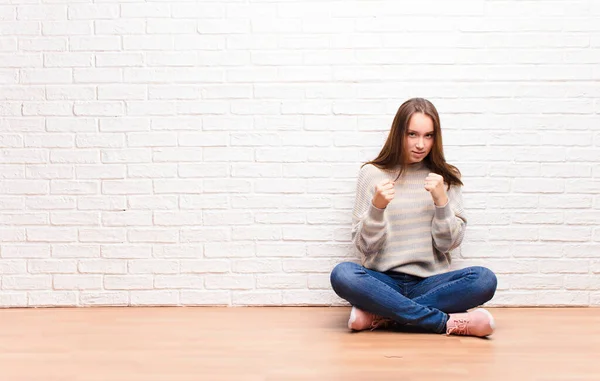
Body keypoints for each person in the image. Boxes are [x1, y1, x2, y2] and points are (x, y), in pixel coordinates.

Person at [330, 98, 498, 337]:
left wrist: (442, 202)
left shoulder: (445, 177)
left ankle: (383, 315)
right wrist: (376, 209)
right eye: (412, 134)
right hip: (382, 281)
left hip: (430, 282)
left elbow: (448, 244)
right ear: (398, 133)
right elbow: (365, 247)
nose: (420, 144)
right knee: (343, 274)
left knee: (484, 280)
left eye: (428, 136)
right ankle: (444, 322)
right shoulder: (372, 174)